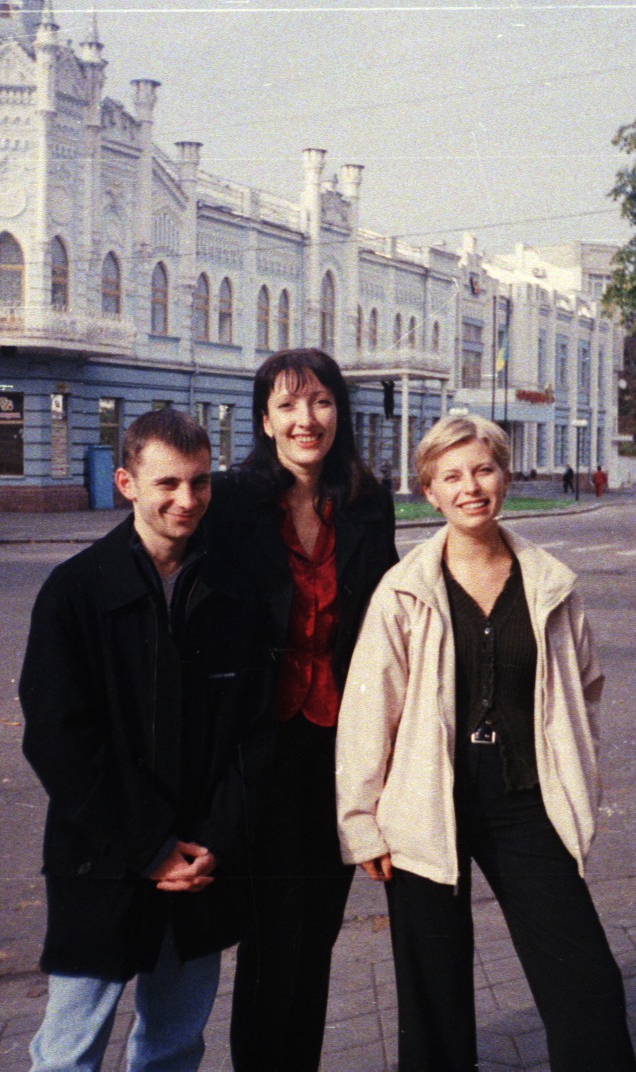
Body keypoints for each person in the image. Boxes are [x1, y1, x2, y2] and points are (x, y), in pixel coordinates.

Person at [337, 415, 636, 1072]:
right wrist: (362, 824)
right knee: (433, 993)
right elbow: (368, 711)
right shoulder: (405, 590)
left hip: (525, 796)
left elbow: (584, 685)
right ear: (430, 492)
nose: (470, 487)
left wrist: (572, 765)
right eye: (452, 476)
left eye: (483, 469)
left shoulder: (551, 583)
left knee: (585, 978)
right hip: (424, 801)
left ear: (503, 475)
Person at [18, 408, 275, 1072]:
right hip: (102, 857)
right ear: (127, 482)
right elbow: (57, 739)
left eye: (198, 482)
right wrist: (151, 846)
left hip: (201, 864)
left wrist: (215, 840)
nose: (185, 501)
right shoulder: (75, 591)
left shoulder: (232, 591)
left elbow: (255, 731)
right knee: (69, 1050)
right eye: (167, 484)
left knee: (173, 1045)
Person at [202, 348, 398, 1071]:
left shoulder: (366, 502)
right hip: (264, 748)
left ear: (338, 413)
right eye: (287, 405)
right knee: (272, 934)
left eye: (318, 402)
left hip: (343, 748)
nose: (305, 419)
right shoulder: (232, 502)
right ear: (265, 420)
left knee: (315, 932)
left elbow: (388, 621)